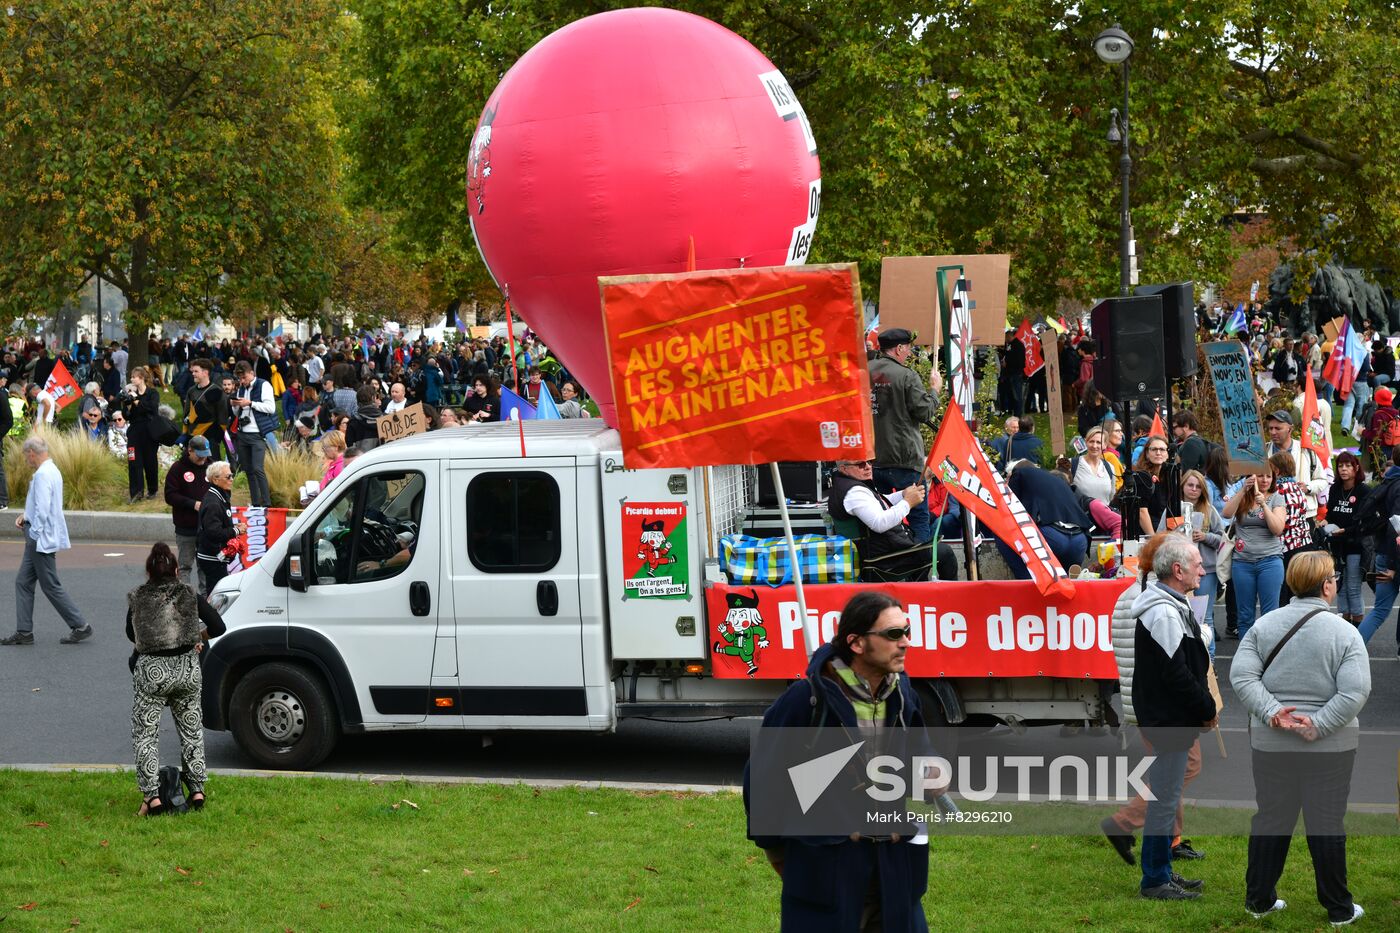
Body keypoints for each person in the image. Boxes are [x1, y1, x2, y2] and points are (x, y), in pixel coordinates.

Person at [744, 591, 932, 931]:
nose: (905, 642)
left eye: (907, 631)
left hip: (894, 869)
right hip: (828, 875)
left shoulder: (903, 693)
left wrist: (932, 771)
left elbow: (921, 751)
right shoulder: (807, 701)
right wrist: (776, 851)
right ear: (857, 643)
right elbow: (763, 781)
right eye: (893, 634)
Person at [1230, 551, 1370, 925]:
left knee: (1271, 819)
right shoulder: (1346, 633)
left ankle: (1258, 900)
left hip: (1272, 742)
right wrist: (1319, 725)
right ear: (1326, 585)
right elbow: (1355, 692)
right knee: (1326, 823)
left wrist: (1273, 712)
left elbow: (1242, 676)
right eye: (1334, 579)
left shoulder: (1264, 625)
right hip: (1330, 747)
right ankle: (1338, 908)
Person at [1103, 532, 1208, 870]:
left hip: (1148, 700)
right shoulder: (1155, 604)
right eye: (1196, 564)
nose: (1202, 571)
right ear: (1172, 566)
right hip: (1158, 705)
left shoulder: (1138, 596)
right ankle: (1128, 828)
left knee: (1170, 778)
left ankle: (1166, 849)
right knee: (1174, 777)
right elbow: (1169, 664)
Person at [1125, 534, 1216, 899]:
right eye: (1197, 564)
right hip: (1167, 720)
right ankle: (1155, 880)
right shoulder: (1163, 611)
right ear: (1177, 571)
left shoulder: (1170, 604)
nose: (1203, 569)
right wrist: (1206, 708)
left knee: (1164, 799)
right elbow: (1176, 673)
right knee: (1163, 802)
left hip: (1170, 717)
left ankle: (1161, 870)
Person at [126, 541, 226, 816]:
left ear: (149, 572)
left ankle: (152, 797)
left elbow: (132, 635)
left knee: (146, 734)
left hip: (152, 673)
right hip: (186, 670)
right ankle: (196, 790)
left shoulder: (137, 597)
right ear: (176, 571)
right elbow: (218, 625)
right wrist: (196, 637)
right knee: (191, 730)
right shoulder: (189, 594)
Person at [2, 436, 93, 646]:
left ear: (31, 453)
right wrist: (26, 515)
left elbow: (42, 509)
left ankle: (80, 625)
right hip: (40, 535)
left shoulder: (42, 474)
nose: (27, 460)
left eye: (27, 456)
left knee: (50, 584)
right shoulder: (52, 470)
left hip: (39, 537)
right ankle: (24, 632)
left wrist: (33, 532)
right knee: (23, 582)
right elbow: (43, 505)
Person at [827, 456, 957, 581]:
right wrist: (908, 503)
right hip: (883, 560)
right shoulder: (854, 492)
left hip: (882, 551)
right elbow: (880, 523)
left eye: (869, 462)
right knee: (945, 552)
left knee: (924, 545)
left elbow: (878, 502)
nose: (867, 467)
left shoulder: (845, 486)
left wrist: (903, 494)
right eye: (860, 465)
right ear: (844, 469)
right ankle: (950, 599)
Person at [869, 328, 940, 544]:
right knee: (918, 517)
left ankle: (889, 566)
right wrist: (935, 390)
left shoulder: (863, 372)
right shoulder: (907, 375)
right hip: (904, 459)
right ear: (899, 348)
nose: (909, 352)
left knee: (878, 516)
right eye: (908, 348)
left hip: (872, 460)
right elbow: (925, 411)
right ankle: (922, 568)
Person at [1223, 470, 1287, 640]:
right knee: (1244, 616)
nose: (1264, 480)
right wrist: (1243, 490)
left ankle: (1268, 657)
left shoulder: (1276, 498)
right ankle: (1246, 657)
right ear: (1251, 477)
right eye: (1260, 475)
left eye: (1268, 476)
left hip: (1270, 561)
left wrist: (1264, 505)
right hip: (1242, 563)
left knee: (1269, 615)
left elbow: (1277, 529)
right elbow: (1226, 513)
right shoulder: (1242, 496)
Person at [998, 462, 1093, 574]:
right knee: (1066, 587)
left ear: (1010, 474)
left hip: (1052, 537)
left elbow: (1008, 509)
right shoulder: (1057, 480)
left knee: (1000, 532)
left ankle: (1027, 583)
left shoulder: (1019, 473)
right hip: (1080, 540)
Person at [1168, 469, 1224, 650]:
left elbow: (1222, 539)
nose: (1193, 489)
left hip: (1206, 571)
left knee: (1204, 617)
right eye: (1190, 485)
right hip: (1177, 571)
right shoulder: (1172, 508)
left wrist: (1205, 537)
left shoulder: (1209, 509)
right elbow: (1162, 536)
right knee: (1180, 615)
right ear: (1182, 486)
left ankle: (1210, 664)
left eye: (1198, 486)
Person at [1323, 453, 1370, 625]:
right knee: (1340, 589)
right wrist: (1325, 521)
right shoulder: (1335, 488)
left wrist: (1346, 530)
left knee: (1353, 588)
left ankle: (1358, 630)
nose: (1343, 469)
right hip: (1337, 546)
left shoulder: (1363, 491)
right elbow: (1331, 514)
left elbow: (1366, 522)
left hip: (1356, 545)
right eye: (1340, 466)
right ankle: (1345, 626)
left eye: (1348, 465)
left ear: (1356, 468)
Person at [164, 436, 212, 586]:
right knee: (185, 566)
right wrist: (192, 504)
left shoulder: (211, 467)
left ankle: (206, 600)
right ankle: (185, 599)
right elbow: (170, 496)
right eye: (199, 455)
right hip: (186, 527)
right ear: (190, 450)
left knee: (205, 566)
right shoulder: (177, 468)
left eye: (206, 455)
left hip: (207, 527)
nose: (203, 459)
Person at [1264, 410, 1328, 519]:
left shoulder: (1306, 451)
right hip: (1272, 514)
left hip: (1303, 514)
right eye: (1271, 428)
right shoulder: (1263, 451)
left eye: (1278, 428)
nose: (1273, 432)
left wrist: (1308, 487)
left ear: (1290, 429)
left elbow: (1322, 480)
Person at [230, 361, 276, 508]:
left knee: (258, 468)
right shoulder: (241, 388)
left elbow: (271, 408)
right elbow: (238, 413)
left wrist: (251, 403)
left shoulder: (264, 385)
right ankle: (256, 503)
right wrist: (235, 406)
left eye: (244, 378)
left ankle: (267, 503)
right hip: (243, 433)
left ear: (251, 373)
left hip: (258, 434)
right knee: (248, 470)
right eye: (239, 379)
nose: (242, 381)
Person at [196, 461, 244, 598]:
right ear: (215, 479)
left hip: (215, 555)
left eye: (232, 475)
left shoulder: (219, 496)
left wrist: (234, 529)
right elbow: (214, 532)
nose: (232, 479)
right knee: (217, 595)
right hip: (212, 557)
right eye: (228, 477)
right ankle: (212, 618)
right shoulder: (213, 502)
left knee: (217, 592)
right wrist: (236, 531)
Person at [120, 366, 161, 502]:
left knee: (150, 461)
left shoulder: (152, 393)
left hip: (149, 431)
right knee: (134, 462)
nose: (131, 379)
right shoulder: (130, 393)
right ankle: (136, 493)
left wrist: (137, 400)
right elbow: (126, 416)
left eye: (134, 377)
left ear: (142, 378)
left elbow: (152, 409)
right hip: (134, 432)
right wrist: (129, 405)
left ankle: (152, 489)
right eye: (131, 377)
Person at [1131, 436, 1181, 536]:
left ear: (1168, 454)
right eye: (1154, 449)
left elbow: (1173, 509)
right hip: (1146, 534)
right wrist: (1153, 538)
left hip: (1165, 532)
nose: (1158, 453)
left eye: (1162, 449)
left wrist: (1175, 535)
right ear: (1147, 454)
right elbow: (1142, 512)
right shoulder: (1142, 476)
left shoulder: (1170, 477)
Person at [182, 358, 225, 460]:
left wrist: (216, 438)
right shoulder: (191, 391)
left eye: (196, 371)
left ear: (205, 372)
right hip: (193, 436)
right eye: (192, 371)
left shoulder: (216, 391)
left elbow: (223, 416)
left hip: (210, 437)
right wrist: (185, 434)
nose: (193, 374)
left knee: (212, 467)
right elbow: (186, 413)